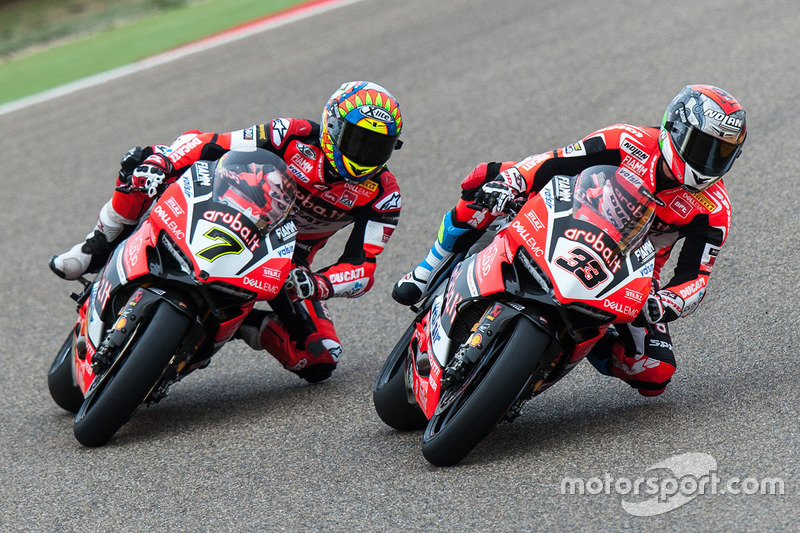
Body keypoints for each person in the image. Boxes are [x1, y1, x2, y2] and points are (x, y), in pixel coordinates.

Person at [393, 84, 746, 397]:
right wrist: (513, 182)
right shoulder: (628, 140)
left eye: (723, 153)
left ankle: (581, 338)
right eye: (703, 146)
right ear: (674, 129)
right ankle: (430, 267)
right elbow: (555, 162)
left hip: (631, 275)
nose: (710, 162)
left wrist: (668, 302)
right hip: (565, 221)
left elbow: (696, 276)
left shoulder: (714, 207)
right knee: (485, 179)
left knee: (655, 373)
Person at [51, 81, 404, 383]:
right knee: (142, 160)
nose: (365, 154)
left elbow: (363, 265)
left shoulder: (384, 194)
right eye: (358, 141)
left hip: (284, 262)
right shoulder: (291, 133)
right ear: (332, 127)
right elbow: (212, 143)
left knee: (320, 359)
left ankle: (246, 322)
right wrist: (165, 163)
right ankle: (96, 245)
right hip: (232, 211)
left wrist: (318, 283)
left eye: (378, 146)